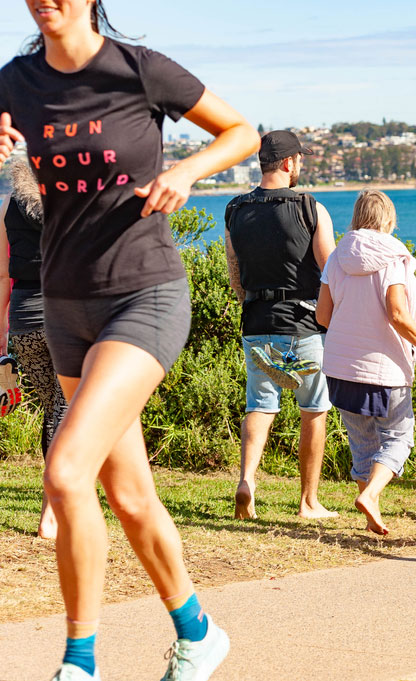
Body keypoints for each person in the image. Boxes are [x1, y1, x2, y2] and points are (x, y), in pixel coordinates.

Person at [0, 2, 260, 679]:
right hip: (64, 306)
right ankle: (198, 633)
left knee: (64, 471)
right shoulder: (15, 83)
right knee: (130, 493)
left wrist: (187, 172)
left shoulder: (138, 71)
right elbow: (16, 183)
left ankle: (78, 663)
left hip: (143, 295)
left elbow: (242, 133)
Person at [315, 189, 416, 535]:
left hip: (339, 367)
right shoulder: (394, 258)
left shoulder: (335, 257)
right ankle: (372, 494)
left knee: (362, 442)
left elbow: (322, 314)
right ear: (389, 219)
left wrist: (352, 332)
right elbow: (398, 314)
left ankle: (369, 508)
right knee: (399, 437)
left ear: (357, 216)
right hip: (385, 367)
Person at [224, 130, 337, 521]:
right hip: (305, 323)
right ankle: (308, 501)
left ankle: (247, 481)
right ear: (289, 163)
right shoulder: (311, 208)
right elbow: (332, 271)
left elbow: (235, 273)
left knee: (259, 404)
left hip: (257, 320)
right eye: (299, 160)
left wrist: (251, 306)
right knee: (314, 409)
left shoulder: (235, 209)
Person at [0, 159, 69, 539]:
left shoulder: (9, 203)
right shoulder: (73, 201)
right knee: (65, 411)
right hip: (66, 318)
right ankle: (51, 510)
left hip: (24, 324)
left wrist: (2, 331)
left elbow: (2, 272)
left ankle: (69, 494)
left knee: (57, 410)